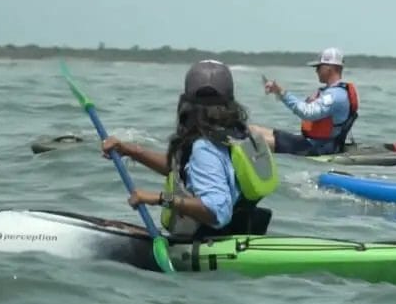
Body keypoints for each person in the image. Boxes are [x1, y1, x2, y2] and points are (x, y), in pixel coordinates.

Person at [100, 59, 279, 239]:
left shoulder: (205, 147)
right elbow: (182, 169)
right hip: (238, 235)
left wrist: (159, 198)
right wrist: (130, 151)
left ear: (186, 103)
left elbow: (217, 212)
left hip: (207, 241)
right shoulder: (237, 135)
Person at [249, 47, 359, 157]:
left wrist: (281, 93)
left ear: (329, 68)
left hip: (319, 147)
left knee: (252, 140)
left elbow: (307, 113)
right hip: (311, 141)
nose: (316, 71)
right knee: (252, 130)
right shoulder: (331, 92)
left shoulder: (335, 95)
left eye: (319, 67)